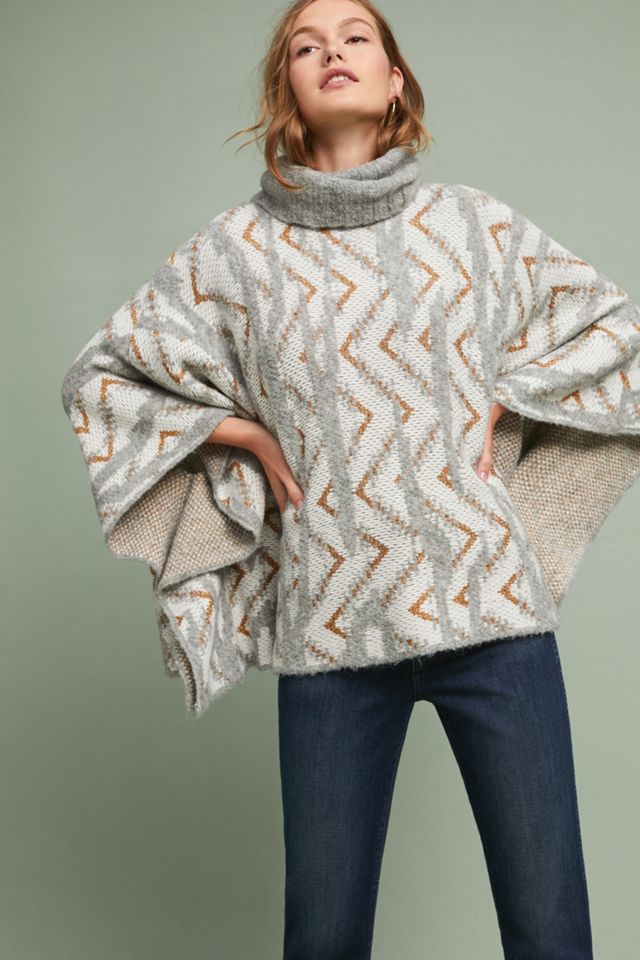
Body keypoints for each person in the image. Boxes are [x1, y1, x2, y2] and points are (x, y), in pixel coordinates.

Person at [60, 1, 640, 957]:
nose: (332, 51)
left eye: (356, 37)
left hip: (494, 618)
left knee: (551, 933)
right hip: (329, 627)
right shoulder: (235, 253)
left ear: (395, 79)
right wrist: (237, 429)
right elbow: (102, 377)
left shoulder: (475, 226)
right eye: (307, 44)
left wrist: (516, 398)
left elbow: (614, 331)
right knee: (323, 940)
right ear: (287, 86)